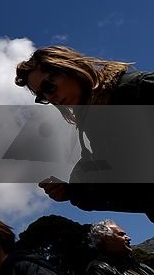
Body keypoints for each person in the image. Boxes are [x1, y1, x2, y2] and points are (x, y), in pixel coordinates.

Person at [14, 46, 154, 221]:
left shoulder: (137, 89)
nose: (51, 98)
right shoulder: (95, 124)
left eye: (48, 86)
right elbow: (128, 187)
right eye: (42, 97)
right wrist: (72, 191)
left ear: (68, 68)